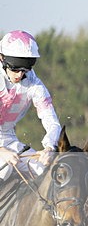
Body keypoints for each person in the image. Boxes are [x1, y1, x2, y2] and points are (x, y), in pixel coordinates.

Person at [0, 30, 61, 182]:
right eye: (15, 69)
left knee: (43, 170)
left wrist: (49, 148)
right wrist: (2, 152)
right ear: (2, 58)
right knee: (4, 168)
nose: (20, 75)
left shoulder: (34, 83)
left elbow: (51, 121)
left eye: (25, 70)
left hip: (8, 139)